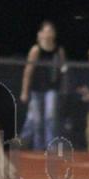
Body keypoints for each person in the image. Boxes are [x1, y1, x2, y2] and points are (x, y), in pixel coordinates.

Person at [19, 21, 67, 150]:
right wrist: (24, 91)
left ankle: (51, 146)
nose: (48, 34)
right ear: (40, 34)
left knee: (50, 116)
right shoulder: (36, 50)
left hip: (52, 88)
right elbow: (28, 71)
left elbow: (63, 69)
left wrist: (63, 86)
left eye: (51, 31)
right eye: (46, 31)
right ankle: (38, 147)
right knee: (37, 120)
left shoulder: (58, 50)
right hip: (36, 89)